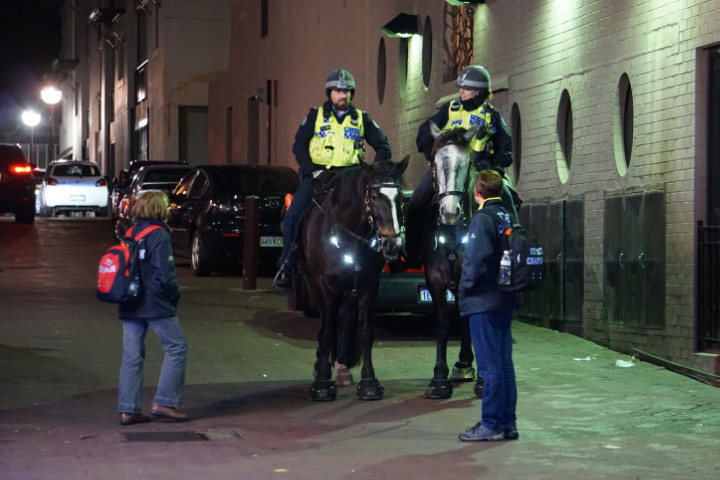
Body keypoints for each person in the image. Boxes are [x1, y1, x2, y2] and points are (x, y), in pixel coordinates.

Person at [273, 69, 392, 292]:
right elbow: (299, 146)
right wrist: (311, 170)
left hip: (351, 179)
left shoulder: (361, 118)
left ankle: (383, 257)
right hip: (320, 177)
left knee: (380, 211)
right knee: (294, 215)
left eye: (346, 91)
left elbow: (384, 146)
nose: (342, 95)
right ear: (330, 93)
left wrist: (373, 172)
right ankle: (287, 265)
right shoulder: (315, 116)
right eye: (338, 91)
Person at [404, 65, 517, 269]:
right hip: (447, 168)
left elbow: (506, 146)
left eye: (465, 88)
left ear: (478, 90)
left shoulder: (491, 114)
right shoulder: (449, 109)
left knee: (509, 199)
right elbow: (424, 133)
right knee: (416, 201)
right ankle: (412, 254)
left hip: (481, 168)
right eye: (461, 88)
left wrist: (497, 171)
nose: (461, 91)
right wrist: (433, 156)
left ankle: (512, 250)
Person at [457, 169, 522, 441]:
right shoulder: (508, 216)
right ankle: (507, 422)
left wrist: (464, 289)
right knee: (504, 364)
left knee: (488, 367)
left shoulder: (482, 219)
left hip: (484, 301)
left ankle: (491, 424)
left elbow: (475, 261)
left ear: (477, 192)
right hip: (505, 298)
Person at [117, 191, 189, 425]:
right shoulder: (159, 235)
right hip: (155, 302)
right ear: (160, 208)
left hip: (130, 300)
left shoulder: (130, 233)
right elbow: (164, 273)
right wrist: (174, 296)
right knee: (177, 347)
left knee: (132, 355)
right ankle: (165, 402)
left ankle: (128, 409)